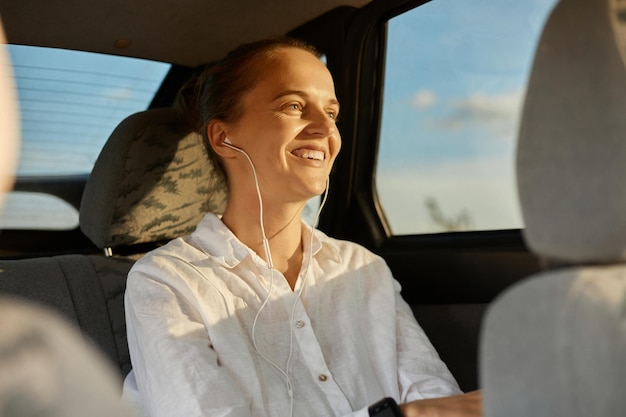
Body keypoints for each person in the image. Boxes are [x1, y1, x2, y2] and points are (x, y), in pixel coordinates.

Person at [123, 37, 482, 417]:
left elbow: (437, 396)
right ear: (223, 137)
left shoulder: (363, 268)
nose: (324, 129)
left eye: (331, 113)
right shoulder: (166, 282)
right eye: (294, 106)